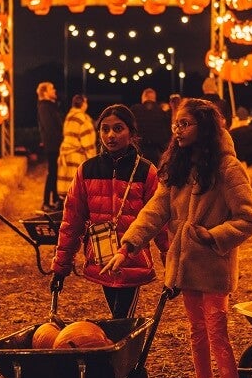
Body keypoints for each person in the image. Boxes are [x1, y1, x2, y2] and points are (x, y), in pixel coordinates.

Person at [102, 98, 252, 378]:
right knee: (196, 332)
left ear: (204, 128)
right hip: (185, 267)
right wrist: (128, 246)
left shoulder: (227, 169)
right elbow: (154, 210)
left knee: (218, 331)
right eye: (177, 124)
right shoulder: (176, 167)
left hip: (213, 265)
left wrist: (213, 236)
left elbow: (249, 219)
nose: (178, 129)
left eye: (185, 124)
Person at [50, 104, 169, 320]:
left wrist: (170, 259)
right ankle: (122, 351)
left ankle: (122, 350)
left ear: (131, 133)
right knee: (118, 318)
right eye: (105, 129)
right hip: (102, 258)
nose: (110, 135)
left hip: (131, 259)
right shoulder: (87, 170)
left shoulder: (145, 171)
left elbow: (160, 219)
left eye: (118, 128)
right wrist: (61, 265)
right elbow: (72, 220)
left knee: (121, 319)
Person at [56, 94, 96, 198]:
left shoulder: (69, 116)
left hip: (66, 152)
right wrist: (92, 156)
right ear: (83, 104)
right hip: (76, 155)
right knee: (76, 188)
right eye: (86, 102)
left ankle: (64, 209)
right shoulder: (82, 118)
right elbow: (87, 139)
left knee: (67, 187)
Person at [36, 81, 62, 211]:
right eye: (52, 89)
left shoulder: (50, 106)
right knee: (52, 172)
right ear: (45, 92)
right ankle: (46, 202)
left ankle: (55, 199)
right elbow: (50, 128)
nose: (55, 90)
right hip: (52, 145)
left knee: (54, 172)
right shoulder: (44, 107)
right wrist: (59, 141)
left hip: (54, 144)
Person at [130, 87, 172, 163]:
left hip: (138, 150)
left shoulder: (134, 109)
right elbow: (168, 132)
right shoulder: (162, 111)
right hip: (157, 151)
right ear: (154, 98)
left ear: (143, 97)